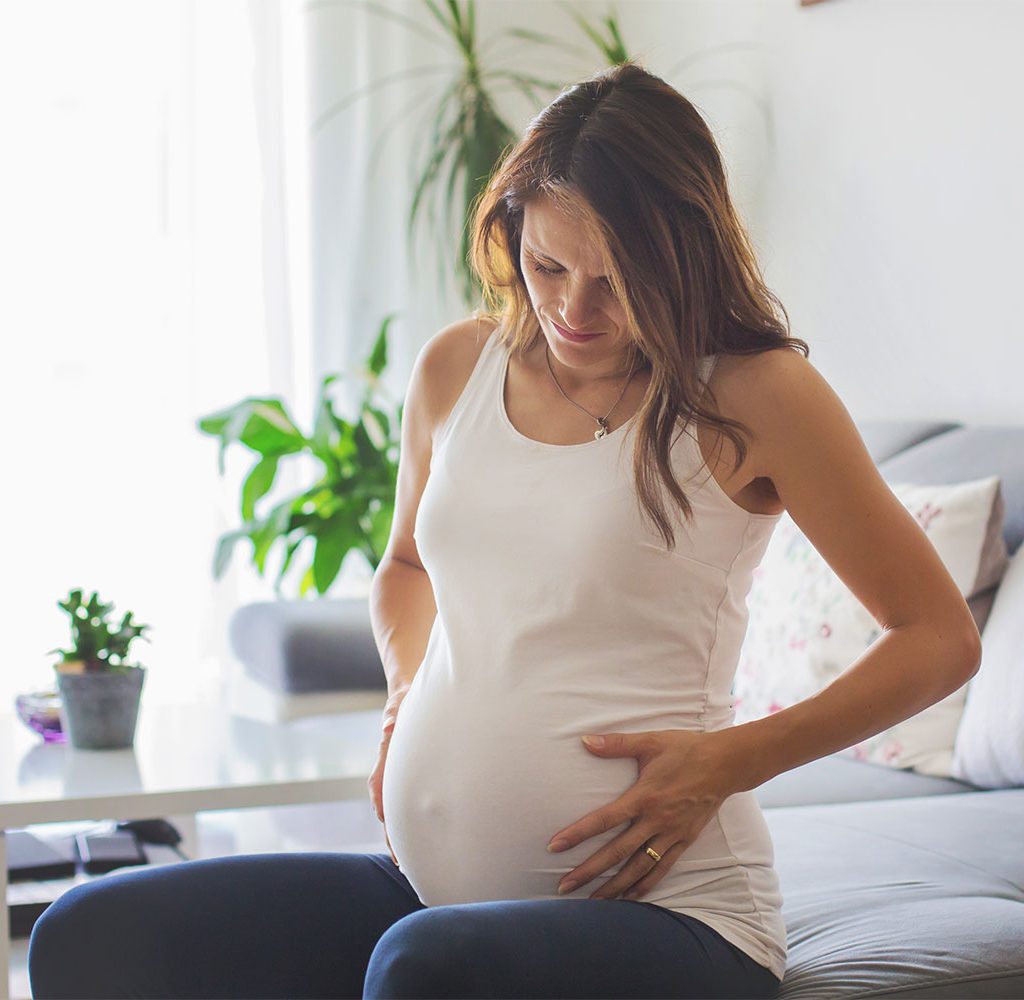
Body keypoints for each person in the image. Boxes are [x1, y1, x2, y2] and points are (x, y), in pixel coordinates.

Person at [28, 60, 980, 1000]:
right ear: (510, 229)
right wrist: (407, 688)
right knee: (92, 934)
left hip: (675, 919)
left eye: (615, 279)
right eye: (549, 264)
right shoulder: (458, 368)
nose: (573, 307)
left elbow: (938, 638)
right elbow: (404, 567)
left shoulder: (753, 396)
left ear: (682, 255)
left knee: (420, 969)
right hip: (432, 897)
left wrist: (730, 761)